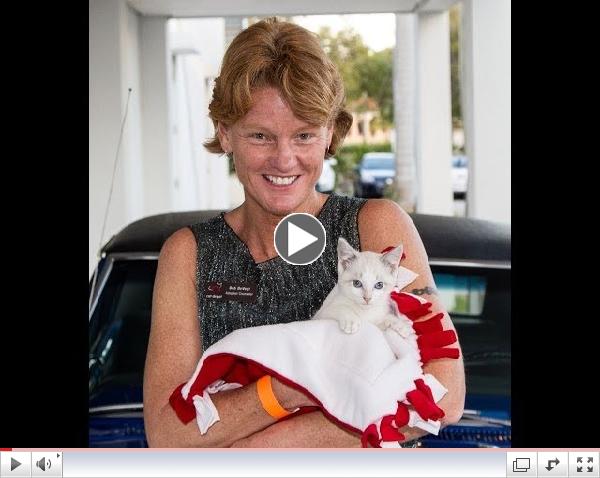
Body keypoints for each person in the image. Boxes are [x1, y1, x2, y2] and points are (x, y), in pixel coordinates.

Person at [143, 17, 465, 448]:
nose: (284, 159)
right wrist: (288, 387)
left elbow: (444, 393)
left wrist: (261, 450)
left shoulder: (373, 226)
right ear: (225, 134)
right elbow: (167, 433)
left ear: (330, 133)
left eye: (304, 135)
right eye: (261, 136)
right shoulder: (190, 253)